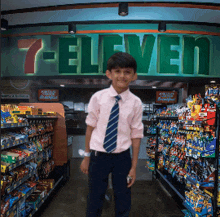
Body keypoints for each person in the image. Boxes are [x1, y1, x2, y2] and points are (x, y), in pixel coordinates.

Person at [80, 52, 144, 217]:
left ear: (134, 76)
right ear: (109, 74)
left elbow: (136, 136)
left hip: (122, 157)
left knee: (123, 198)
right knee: (95, 197)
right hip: (98, 156)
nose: (122, 76)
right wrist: (86, 157)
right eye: (117, 71)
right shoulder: (98, 98)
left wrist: (133, 167)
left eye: (127, 72)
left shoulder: (136, 103)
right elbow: (90, 128)